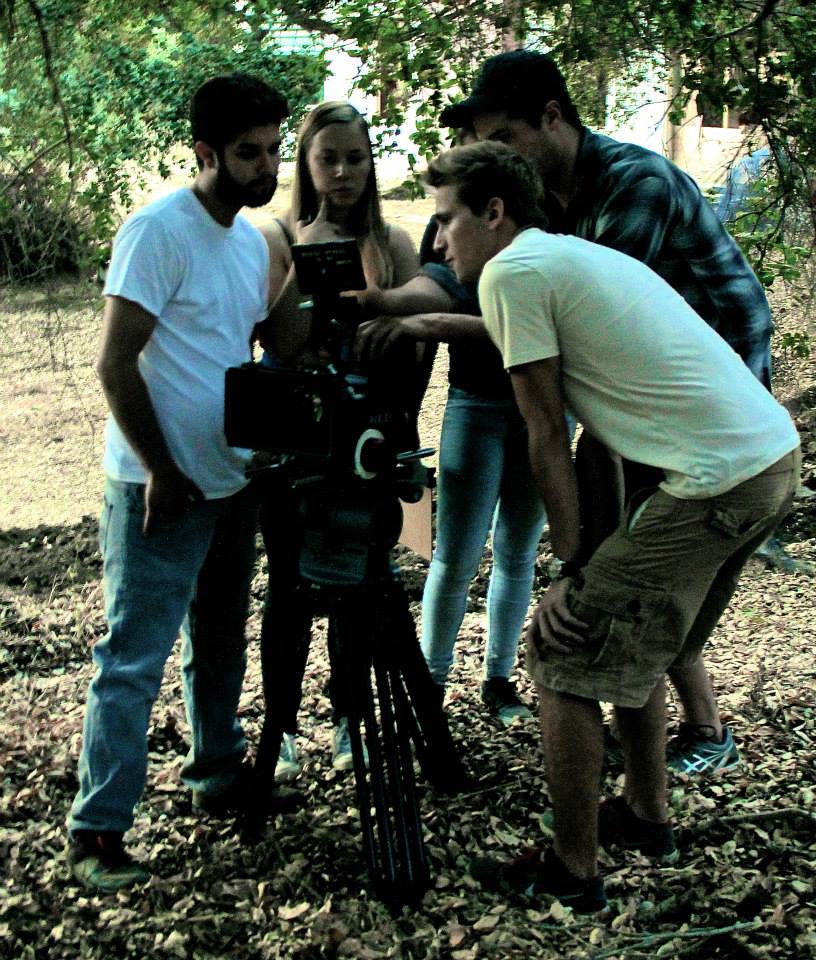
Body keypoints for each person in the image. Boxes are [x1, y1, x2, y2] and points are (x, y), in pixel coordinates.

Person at [425, 140, 800, 912]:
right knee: (637, 643)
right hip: (768, 461)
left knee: (559, 653)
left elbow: (543, 431)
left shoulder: (513, 272)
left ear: (493, 213)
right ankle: (646, 816)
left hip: (718, 480)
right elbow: (602, 439)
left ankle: (574, 868)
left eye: (446, 220)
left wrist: (571, 572)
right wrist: (593, 557)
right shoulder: (558, 258)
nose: (438, 241)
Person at [440, 48, 781, 775]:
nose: (496, 157)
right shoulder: (549, 208)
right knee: (642, 578)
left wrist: (573, 564)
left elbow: (565, 345)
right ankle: (654, 762)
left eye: (504, 139)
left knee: (638, 577)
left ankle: (690, 737)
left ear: (553, 119)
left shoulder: (634, 184)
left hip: (716, 386)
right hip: (662, 399)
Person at [66, 74, 290, 892]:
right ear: (205, 152)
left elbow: (247, 349)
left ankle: (215, 772)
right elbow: (114, 362)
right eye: (247, 153)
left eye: (273, 149)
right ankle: (98, 831)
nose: (265, 166)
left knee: (221, 641)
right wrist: (161, 468)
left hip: (231, 483)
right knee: (133, 657)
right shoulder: (158, 230)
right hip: (158, 486)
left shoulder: (251, 240)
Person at [256, 101, 420, 781]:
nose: (343, 172)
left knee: (366, 581)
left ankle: (353, 715)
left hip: (372, 436)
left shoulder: (396, 243)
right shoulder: (275, 237)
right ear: (306, 161)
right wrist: (311, 258)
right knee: (290, 586)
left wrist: (401, 417)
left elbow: (420, 346)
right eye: (328, 158)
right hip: (295, 438)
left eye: (356, 157)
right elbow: (278, 343)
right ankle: (282, 725)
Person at [355, 210, 556, 725]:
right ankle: (432, 683)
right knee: (455, 553)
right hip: (475, 403)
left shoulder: (547, 220)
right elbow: (430, 322)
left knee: (518, 549)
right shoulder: (449, 222)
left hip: (546, 403)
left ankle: (499, 679)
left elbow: (555, 323)